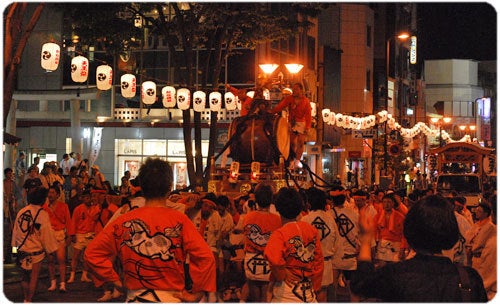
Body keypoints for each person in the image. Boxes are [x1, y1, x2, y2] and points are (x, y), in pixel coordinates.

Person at [84, 157, 216, 302]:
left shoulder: (124, 220)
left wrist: (115, 280)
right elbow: (206, 257)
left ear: (142, 186)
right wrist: (197, 293)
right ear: (169, 187)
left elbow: (92, 253)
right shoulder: (180, 221)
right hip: (171, 297)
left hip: (135, 297)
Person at [350, 194, 487, 302]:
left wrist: (366, 239)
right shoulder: (469, 279)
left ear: (410, 230)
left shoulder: (396, 274)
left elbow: (360, 285)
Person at [264, 187, 324, 303]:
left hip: (286, 291)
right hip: (307, 289)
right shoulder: (311, 230)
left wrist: (282, 272)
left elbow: (274, 259)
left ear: (278, 208)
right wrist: (316, 285)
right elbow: (318, 262)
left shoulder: (280, 234)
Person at [11, 187, 59, 303]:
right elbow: (46, 235)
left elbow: (15, 232)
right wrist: (52, 250)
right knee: (33, 278)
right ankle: (29, 300)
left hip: (22, 251)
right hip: (35, 253)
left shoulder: (22, 211)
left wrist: (14, 250)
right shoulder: (42, 214)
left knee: (24, 278)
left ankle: (25, 298)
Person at [241, 183, 282, 302]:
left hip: (251, 259)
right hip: (268, 259)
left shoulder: (248, 217)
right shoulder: (277, 219)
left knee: (254, 297)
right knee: (266, 296)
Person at [301, 187, 339, 302]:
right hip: (326, 261)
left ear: (309, 202)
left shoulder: (305, 220)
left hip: (310, 263)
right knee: (323, 293)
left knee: (312, 294)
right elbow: (336, 242)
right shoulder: (330, 219)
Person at [271, 82, 312, 169]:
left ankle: (297, 161)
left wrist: (308, 127)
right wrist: (271, 112)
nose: (294, 90)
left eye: (296, 89)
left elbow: (308, 115)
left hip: (302, 122)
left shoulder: (306, 101)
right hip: (292, 122)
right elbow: (280, 106)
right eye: (293, 89)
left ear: (301, 90)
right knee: (292, 142)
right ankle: (291, 160)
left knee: (300, 142)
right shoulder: (289, 99)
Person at [67, 188, 100, 283]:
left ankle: (84, 275)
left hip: (91, 234)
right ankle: (72, 275)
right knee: (76, 256)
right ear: (83, 198)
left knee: (87, 257)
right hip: (80, 234)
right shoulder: (78, 209)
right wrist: (72, 234)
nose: (88, 199)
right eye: (86, 198)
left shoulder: (95, 208)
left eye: (89, 197)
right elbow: (73, 222)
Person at [465, 201, 497, 300]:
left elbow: (478, 244)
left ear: (486, 213)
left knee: (481, 282)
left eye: (479, 211)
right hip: (472, 258)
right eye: (477, 210)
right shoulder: (477, 225)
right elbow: (468, 237)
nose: (476, 213)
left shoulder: (490, 227)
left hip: (481, 258)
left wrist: (471, 247)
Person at [43, 185, 72, 292]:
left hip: (59, 234)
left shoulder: (63, 206)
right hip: (49, 235)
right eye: (49, 192)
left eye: (52, 193)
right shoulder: (45, 207)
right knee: (50, 260)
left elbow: (68, 221)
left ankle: (62, 284)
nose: (50, 195)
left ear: (58, 195)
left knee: (61, 260)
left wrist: (69, 235)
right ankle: (53, 282)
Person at [4, 167, 21, 263]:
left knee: (11, 232)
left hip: (11, 208)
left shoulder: (13, 184)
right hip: (4, 208)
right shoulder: (3, 183)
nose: (10, 175)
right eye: (9, 173)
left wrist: (13, 202)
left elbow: (18, 195)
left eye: (11, 173)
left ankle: (11, 255)